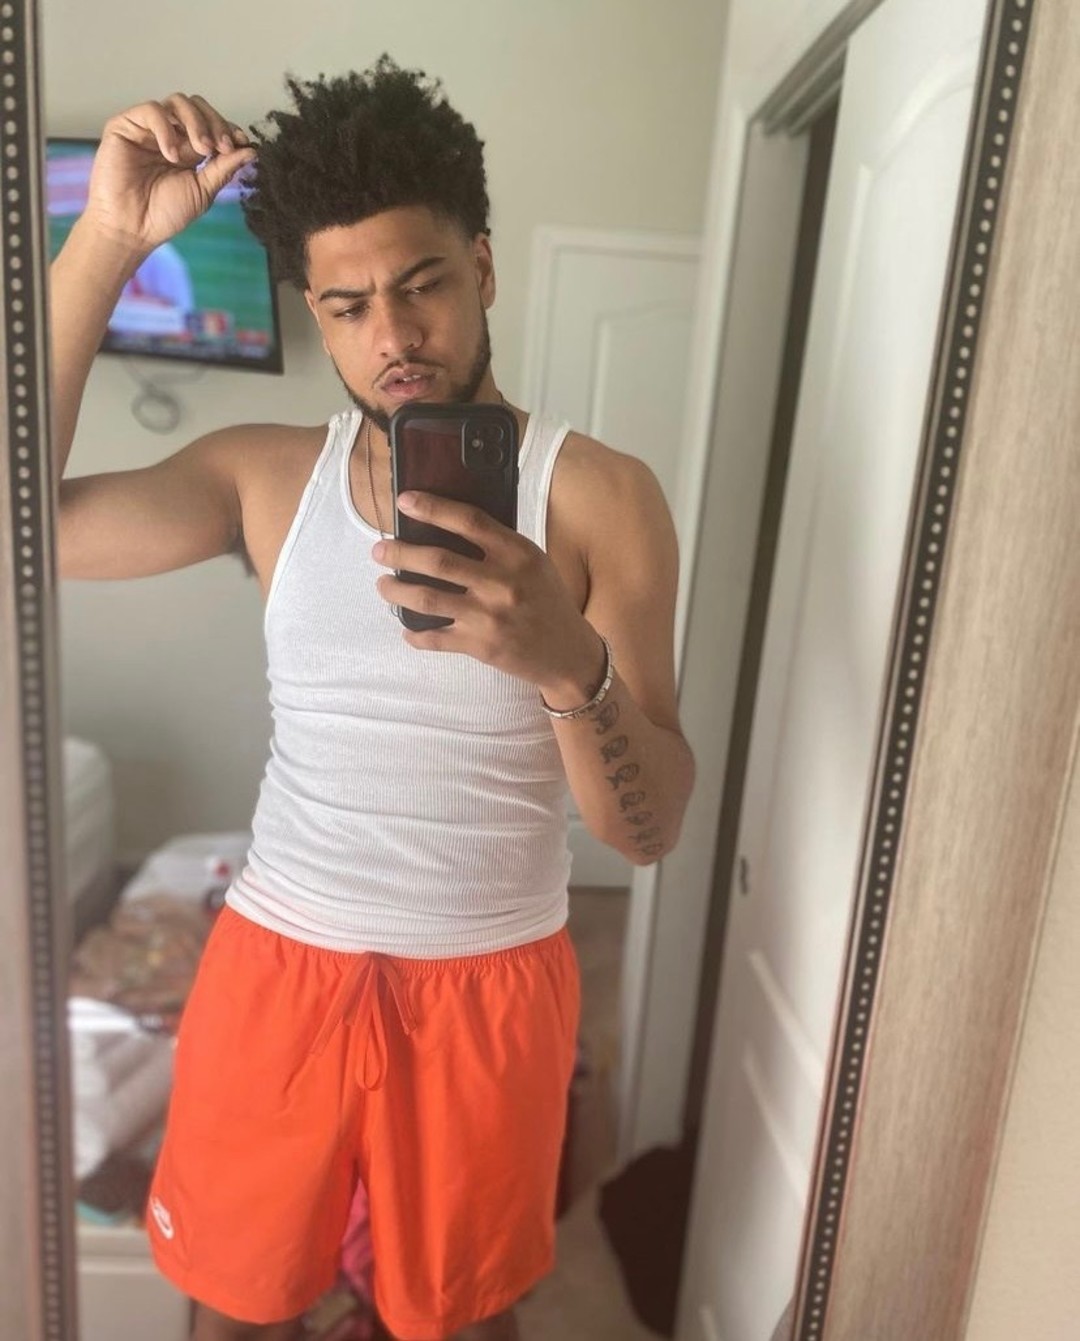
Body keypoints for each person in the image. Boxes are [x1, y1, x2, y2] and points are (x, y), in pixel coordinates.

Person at [53, 56, 695, 1341]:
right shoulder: (263, 474)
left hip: (491, 987)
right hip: (277, 967)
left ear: (485, 268)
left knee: (457, 1321)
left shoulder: (602, 497)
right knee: (235, 1314)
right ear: (314, 311)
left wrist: (566, 664)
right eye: (347, 306)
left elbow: (648, 830)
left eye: (422, 285)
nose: (392, 338)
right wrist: (106, 241)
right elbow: (26, 528)